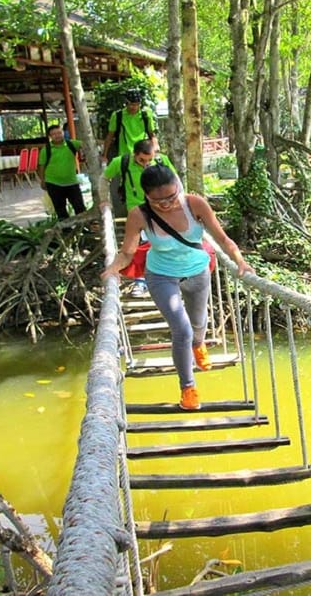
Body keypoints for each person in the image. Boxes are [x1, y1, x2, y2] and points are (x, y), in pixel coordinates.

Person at [101, 164, 253, 411]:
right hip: (161, 275)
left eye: (171, 197)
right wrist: (113, 269)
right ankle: (188, 388)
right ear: (146, 196)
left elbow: (223, 239)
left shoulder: (195, 204)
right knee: (181, 330)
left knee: (198, 323)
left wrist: (240, 261)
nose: (166, 204)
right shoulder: (138, 215)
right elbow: (128, 252)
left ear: (179, 187)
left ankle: (199, 344)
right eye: (157, 200)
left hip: (197, 271)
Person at [104, 139, 177, 298]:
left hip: (160, 209)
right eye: (141, 160)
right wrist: (104, 199)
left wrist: (178, 202)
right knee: (141, 246)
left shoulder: (161, 160)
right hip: (137, 212)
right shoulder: (121, 162)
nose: (145, 164)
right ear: (134, 155)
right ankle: (141, 281)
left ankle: (166, 278)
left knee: (163, 244)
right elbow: (104, 178)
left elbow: (175, 180)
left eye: (149, 160)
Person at [38, 124, 86, 220]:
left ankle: (84, 228)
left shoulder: (71, 144)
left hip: (71, 182)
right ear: (50, 136)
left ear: (63, 133)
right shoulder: (46, 149)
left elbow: (86, 144)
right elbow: (41, 166)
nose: (57, 135)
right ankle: (66, 231)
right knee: (61, 210)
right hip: (53, 183)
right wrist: (42, 180)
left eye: (59, 133)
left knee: (79, 207)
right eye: (54, 134)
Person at [101, 89, 158, 164]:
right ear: (126, 103)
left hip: (143, 155)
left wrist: (155, 148)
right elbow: (110, 136)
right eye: (131, 104)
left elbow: (152, 134)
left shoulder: (146, 114)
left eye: (137, 104)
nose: (134, 107)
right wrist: (104, 155)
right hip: (125, 156)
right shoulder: (118, 116)